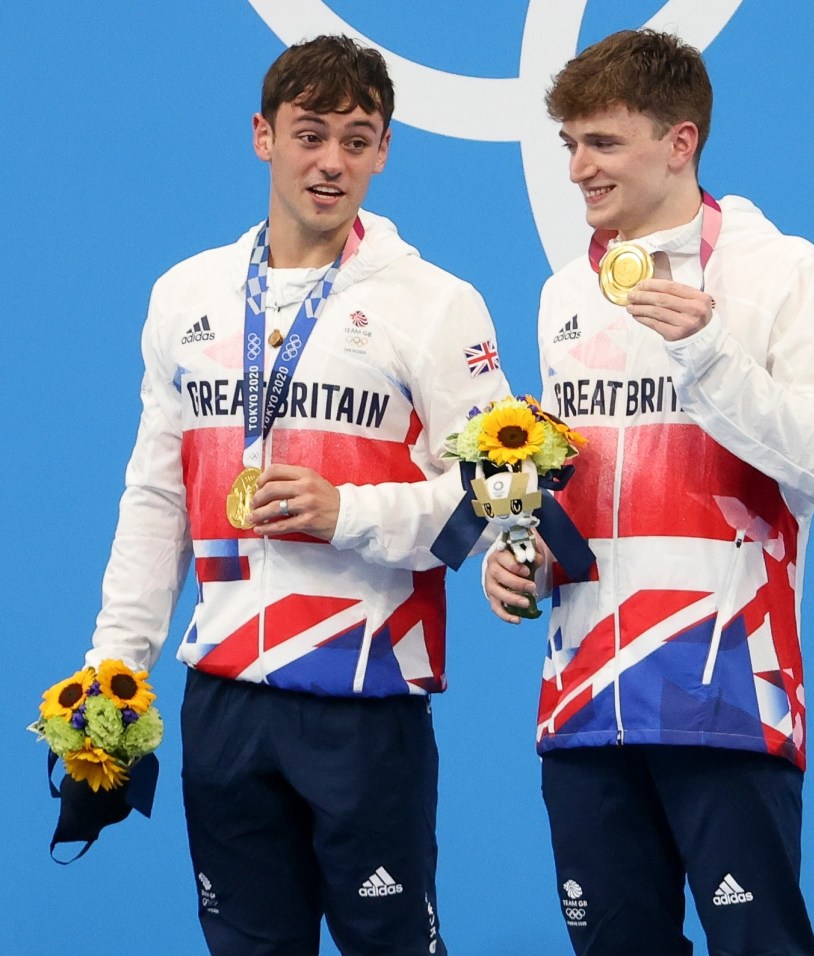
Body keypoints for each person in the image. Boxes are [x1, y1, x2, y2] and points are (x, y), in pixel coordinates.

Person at [85, 35, 510, 956]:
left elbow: (490, 504)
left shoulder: (436, 304)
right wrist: (114, 669)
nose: (332, 162)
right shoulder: (184, 295)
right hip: (224, 699)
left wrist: (348, 512)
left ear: (385, 149)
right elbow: (156, 497)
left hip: (366, 700)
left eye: (357, 140)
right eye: (311, 134)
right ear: (262, 137)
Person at [484, 28, 814, 956]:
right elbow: (577, 483)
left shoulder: (784, 271)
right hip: (582, 697)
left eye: (603, 142)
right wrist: (522, 558)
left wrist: (707, 351)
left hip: (725, 689)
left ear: (680, 141)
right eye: (569, 143)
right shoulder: (563, 293)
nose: (578, 167)